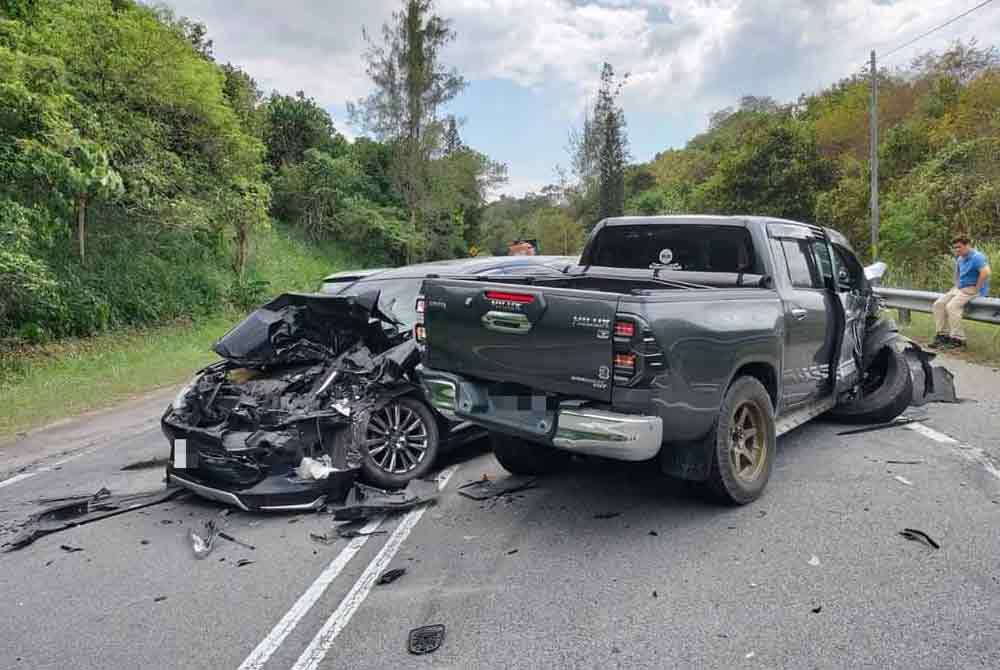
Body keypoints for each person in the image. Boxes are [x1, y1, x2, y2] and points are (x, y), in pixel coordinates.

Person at [931, 235, 991, 349]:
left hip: (972, 289)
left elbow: (986, 272)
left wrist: (977, 288)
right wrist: (956, 285)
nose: (957, 250)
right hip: (960, 288)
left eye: (959, 247)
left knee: (952, 306)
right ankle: (943, 336)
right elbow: (958, 274)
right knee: (938, 304)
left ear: (967, 245)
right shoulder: (960, 258)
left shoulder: (977, 257)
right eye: (955, 248)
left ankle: (958, 340)